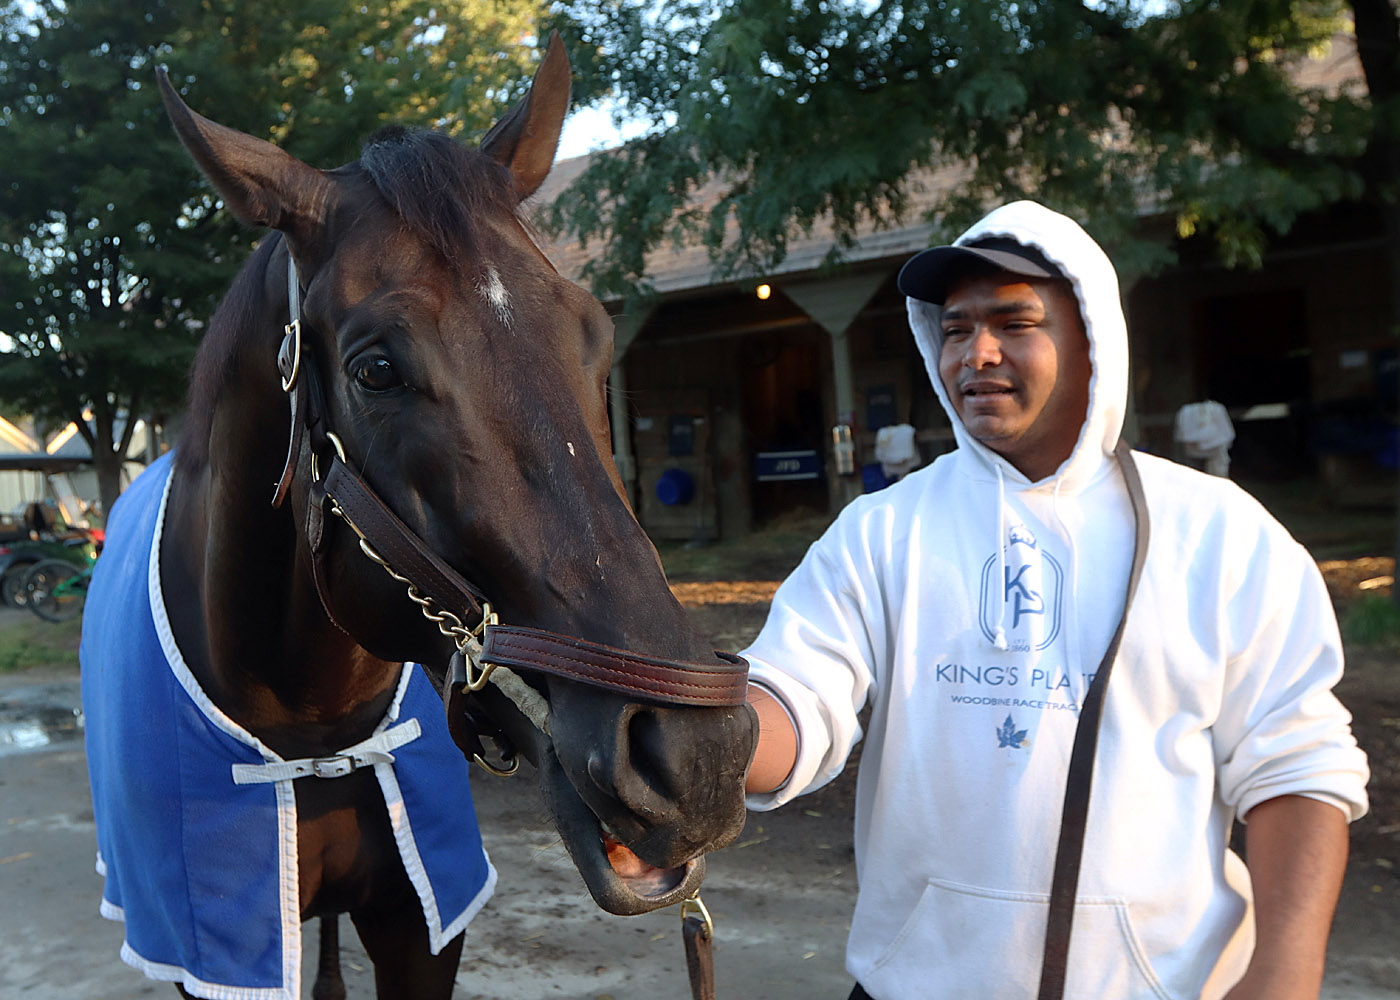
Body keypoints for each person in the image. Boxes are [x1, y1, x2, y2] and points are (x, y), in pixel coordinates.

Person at [741, 200, 1369, 1000]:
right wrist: (693, 747)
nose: (977, 352)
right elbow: (795, 693)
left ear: (1092, 341)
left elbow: (1297, 763)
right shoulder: (882, 532)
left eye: (1015, 323)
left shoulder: (1218, 534)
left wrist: (1284, 974)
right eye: (956, 328)